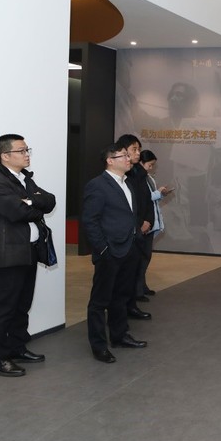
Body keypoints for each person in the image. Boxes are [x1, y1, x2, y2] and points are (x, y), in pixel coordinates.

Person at [0, 135, 56, 377]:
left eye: (27, 149)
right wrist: (31, 204)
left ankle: (17, 348)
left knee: (22, 305)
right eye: (21, 150)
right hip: (7, 253)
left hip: (28, 251)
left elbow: (50, 201)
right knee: (5, 308)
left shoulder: (24, 179)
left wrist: (30, 200)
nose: (27, 154)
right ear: (5, 156)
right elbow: (18, 212)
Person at [81, 143, 149, 364]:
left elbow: (130, 215)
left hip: (130, 248)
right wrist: (102, 248)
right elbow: (90, 221)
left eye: (129, 156)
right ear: (110, 161)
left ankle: (120, 336)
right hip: (109, 251)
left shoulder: (127, 183)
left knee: (121, 296)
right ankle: (99, 346)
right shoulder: (97, 185)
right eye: (124, 156)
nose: (129, 159)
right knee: (100, 301)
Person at [116, 134, 153, 319]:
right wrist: (139, 224)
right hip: (128, 231)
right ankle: (122, 310)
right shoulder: (122, 176)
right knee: (123, 276)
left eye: (139, 149)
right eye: (134, 149)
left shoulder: (139, 172)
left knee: (135, 268)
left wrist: (148, 220)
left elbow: (147, 200)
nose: (138, 153)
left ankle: (131, 305)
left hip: (140, 229)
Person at [139, 149, 174, 292]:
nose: (151, 168)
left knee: (146, 257)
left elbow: (151, 200)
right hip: (143, 223)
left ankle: (141, 286)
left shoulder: (148, 178)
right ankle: (138, 288)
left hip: (151, 223)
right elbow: (143, 198)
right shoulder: (137, 179)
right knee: (141, 258)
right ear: (141, 163)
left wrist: (161, 194)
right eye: (150, 164)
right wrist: (158, 193)